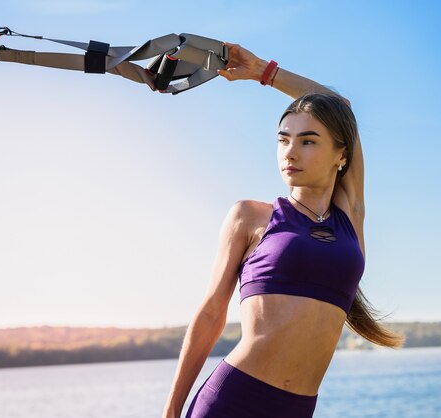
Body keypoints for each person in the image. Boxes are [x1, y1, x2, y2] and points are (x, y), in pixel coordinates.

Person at [162, 42, 404, 418]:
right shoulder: (251, 217)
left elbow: (341, 107)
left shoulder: (349, 216)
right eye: (283, 140)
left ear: (343, 155)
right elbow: (211, 314)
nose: (290, 152)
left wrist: (263, 71)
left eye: (308, 141)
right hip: (232, 401)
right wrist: (172, 409)